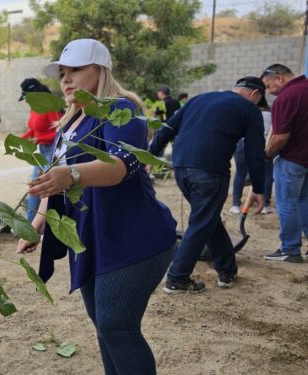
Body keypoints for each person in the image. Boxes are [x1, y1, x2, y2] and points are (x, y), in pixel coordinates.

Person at [18, 38, 177, 375]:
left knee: (117, 325)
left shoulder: (122, 111)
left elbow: (122, 166)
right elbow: (53, 184)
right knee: (105, 326)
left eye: (76, 69)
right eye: (62, 73)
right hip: (92, 239)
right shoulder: (67, 124)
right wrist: (36, 224)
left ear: (101, 70)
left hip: (133, 238)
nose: (66, 79)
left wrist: (72, 174)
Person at [150, 77, 266, 293]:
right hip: (209, 172)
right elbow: (255, 153)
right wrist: (258, 188)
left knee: (207, 218)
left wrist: (149, 156)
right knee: (201, 222)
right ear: (255, 95)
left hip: (182, 168)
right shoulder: (251, 110)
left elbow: (166, 128)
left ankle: (227, 270)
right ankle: (177, 279)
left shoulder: (198, 99)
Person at [260, 64, 308, 262]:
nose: (269, 92)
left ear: (279, 78)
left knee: (286, 203)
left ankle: (290, 249)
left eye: (269, 86)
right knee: (304, 201)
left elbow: (280, 137)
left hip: (291, 159)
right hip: (306, 158)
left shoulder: (286, 98)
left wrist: (267, 155)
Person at [18, 78, 61, 222]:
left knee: (45, 189)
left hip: (53, 151)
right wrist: (22, 138)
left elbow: (62, 131)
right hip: (42, 151)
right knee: (34, 187)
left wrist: (40, 139)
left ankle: (43, 226)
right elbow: (34, 128)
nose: (26, 101)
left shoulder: (50, 107)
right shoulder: (34, 107)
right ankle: (31, 226)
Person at [230, 97, 273, 215]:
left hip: (241, 142)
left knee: (240, 172)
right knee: (267, 174)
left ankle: (235, 204)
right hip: (263, 142)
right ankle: (266, 205)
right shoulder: (270, 114)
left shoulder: (243, 110)